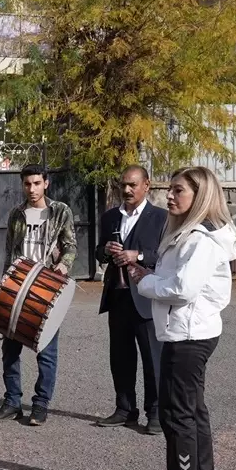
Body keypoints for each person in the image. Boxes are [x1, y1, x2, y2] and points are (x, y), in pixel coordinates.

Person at [128, 166, 236, 470]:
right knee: (193, 411)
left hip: (188, 335)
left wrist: (146, 283)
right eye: (170, 189)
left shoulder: (198, 240)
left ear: (200, 196)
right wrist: (153, 277)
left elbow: (182, 289)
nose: (170, 196)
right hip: (190, 332)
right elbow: (178, 280)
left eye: (179, 190)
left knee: (178, 417)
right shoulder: (191, 235)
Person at [0, 164, 77, 427]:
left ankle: (40, 405)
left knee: (46, 352)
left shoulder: (60, 211)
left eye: (37, 183)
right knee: (10, 350)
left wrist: (63, 266)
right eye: (27, 184)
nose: (32, 188)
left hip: (45, 287)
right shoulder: (16, 214)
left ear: (46, 183)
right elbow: (9, 252)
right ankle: (12, 402)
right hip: (17, 287)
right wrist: (4, 285)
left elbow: (70, 245)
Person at [94, 165, 166, 434]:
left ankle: (156, 412)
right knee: (120, 357)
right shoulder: (110, 216)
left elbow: (165, 255)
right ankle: (125, 409)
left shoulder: (161, 218)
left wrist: (139, 256)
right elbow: (98, 251)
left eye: (132, 185)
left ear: (146, 185)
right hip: (118, 295)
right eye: (123, 184)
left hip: (146, 297)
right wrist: (105, 251)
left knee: (152, 358)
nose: (126, 190)